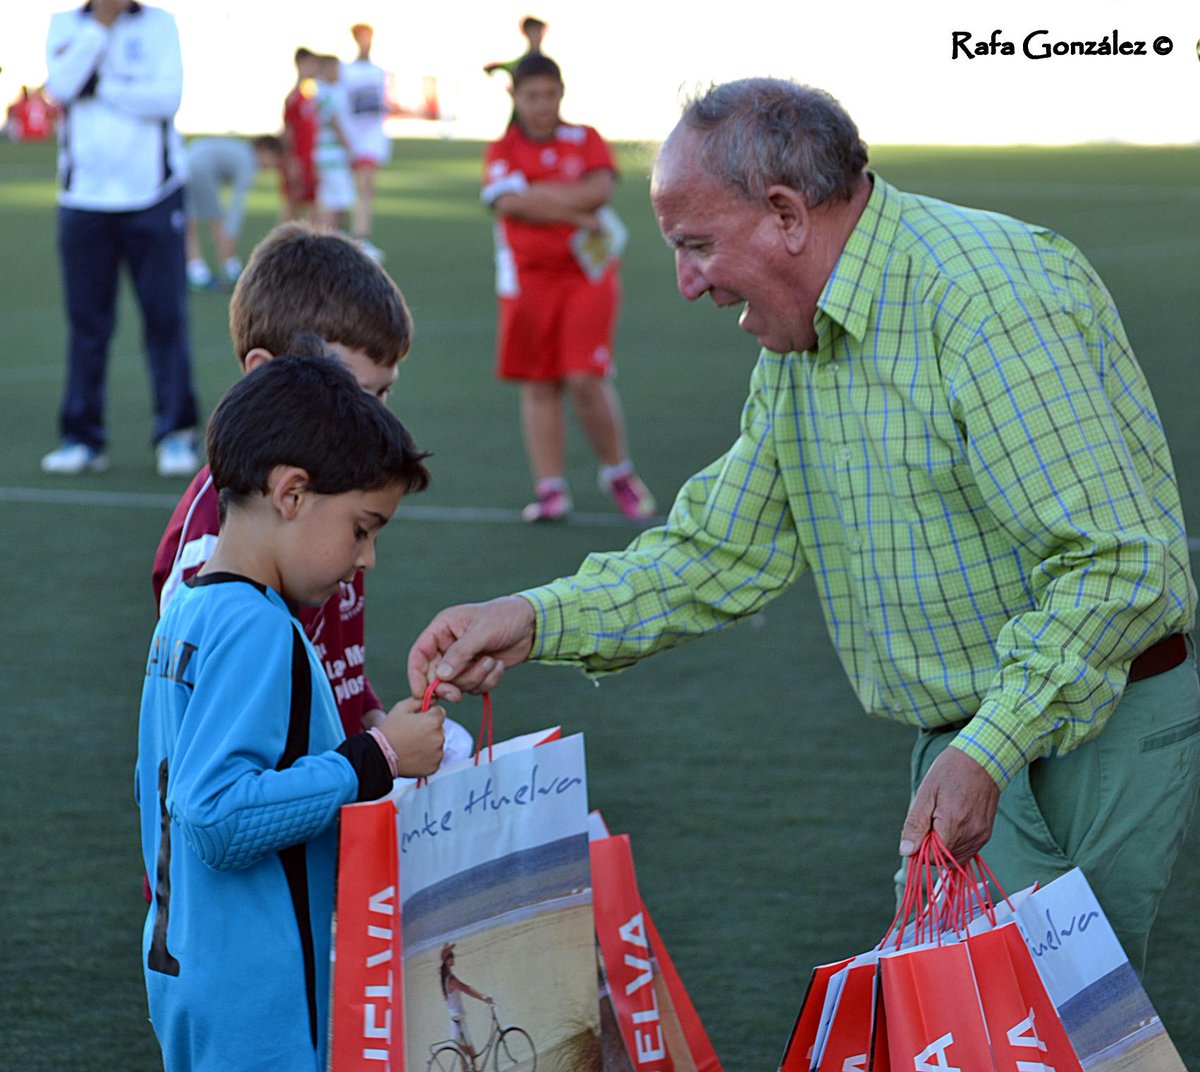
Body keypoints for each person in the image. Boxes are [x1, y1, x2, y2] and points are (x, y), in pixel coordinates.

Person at [410, 78, 1200, 974]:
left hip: (1093, 724)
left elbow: (1123, 566)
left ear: (786, 215)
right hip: (985, 739)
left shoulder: (984, 296)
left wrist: (990, 746)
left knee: (1052, 1023)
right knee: (998, 1021)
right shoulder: (802, 343)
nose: (686, 284)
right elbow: (718, 549)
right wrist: (533, 617)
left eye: (696, 245)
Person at [137, 354, 446, 1070]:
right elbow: (214, 814)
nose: (367, 559)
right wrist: (377, 760)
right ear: (292, 493)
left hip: (190, 964)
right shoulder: (257, 626)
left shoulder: (190, 608)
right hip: (259, 992)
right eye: (362, 528)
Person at [153, 223, 418, 740]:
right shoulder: (212, 553)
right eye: (354, 393)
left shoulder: (333, 498)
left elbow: (332, 664)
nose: (376, 418)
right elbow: (218, 753)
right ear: (264, 373)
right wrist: (377, 757)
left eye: (383, 395)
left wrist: (370, 717)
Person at [483, 54, 655, 522]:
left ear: (562, 93)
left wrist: (537, 194)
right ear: (515, 97)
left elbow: (598, 192)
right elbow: (509, 204)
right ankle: (551, 489)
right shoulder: (503, 149)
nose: (542, 105)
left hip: (587, 274)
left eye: (549, 94)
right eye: (531, 96)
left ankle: (618, 473)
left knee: (585, 376)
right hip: (527, 280)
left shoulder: (587, 139)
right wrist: (572, 208)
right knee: (539, 381)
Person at [42, 0, 200, 478]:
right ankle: (81, 438)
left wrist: (104, 86)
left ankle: (175, 433)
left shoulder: (160, 24)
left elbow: (167, 99)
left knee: (165, 319)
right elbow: (62, 87)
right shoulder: (65, 25)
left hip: (154, 196)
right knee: (87, 326)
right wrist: (98, 31)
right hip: (84, 200)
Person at [183, 135, 283, 291]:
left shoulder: (242, 152)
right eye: (274, 158)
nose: (274, 165)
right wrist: (231, 232)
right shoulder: (248, 161)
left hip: (188, 159)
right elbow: (237, 203)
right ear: (265, 150)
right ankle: (230, 267)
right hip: (200, 167)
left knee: (190, 220)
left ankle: (196, 269)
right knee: (216, 218)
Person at [341, 23, 393, 261]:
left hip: (371, 139)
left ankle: (361, 237)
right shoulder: (346, 71)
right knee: (348, 189)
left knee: (366, 187)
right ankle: (347, 235)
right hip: (352, 137)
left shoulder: (378, 71)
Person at [313, 53, 355, 233]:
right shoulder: (322, 93)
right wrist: (349, 146)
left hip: (329, 154)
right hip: (330, 154)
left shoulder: (328, 91)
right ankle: (329, 234)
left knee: (335, 198)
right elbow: (334, 121)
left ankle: (333, 234)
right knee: (334, 199)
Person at [281, 47, 320, 223]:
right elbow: (288, 132)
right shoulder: (293, 98)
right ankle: (282, 238)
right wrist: (291, 160)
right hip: (298, 160)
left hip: (312, 159)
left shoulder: (311, 96)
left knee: (313, 203)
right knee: (292, 205)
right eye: (309, 64)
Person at [440, 943, 494, 1059]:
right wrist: (483, 997)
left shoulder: (445, 978)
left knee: (465, 1055)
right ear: (447, 961)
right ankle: (474, 1068)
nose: (453, 958)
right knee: (471, 1052)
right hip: (459, 1020)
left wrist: (446, 950)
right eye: (451, 956)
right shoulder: (451, 980)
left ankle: (470, 1067)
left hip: (455, 1019)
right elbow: (466, 989)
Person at [483, 15, 547, 77]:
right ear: (526, 32)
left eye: (539, 31)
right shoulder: (520, 63)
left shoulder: (547, 63)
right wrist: (496, 66)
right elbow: (509, 66)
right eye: (534, 31)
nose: (537, 35)